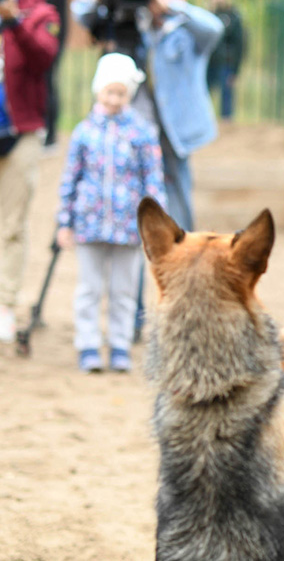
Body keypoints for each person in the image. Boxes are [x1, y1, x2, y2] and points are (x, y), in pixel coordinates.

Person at [72, 0, 223, 232]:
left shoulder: (189, 29)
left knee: (177, 189)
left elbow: (215, 28)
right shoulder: (133, 26)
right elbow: (81, 16)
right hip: (139, 125)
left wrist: (170, 6)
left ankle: (181, 247)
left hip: (176, 129)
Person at [56, 53, 165, 372]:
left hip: (128, 228)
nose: (115, 99)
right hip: (89, 225)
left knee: (123, 290)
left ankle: (119, 344)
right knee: (89, 288)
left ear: (128, 94)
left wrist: (156, 225)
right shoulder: (84, 132)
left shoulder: (142, 133)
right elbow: (70, 179)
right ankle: (87, 344)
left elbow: (153, 180)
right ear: (98, 91)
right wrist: (65, 221)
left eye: (121, 93)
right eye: (109, 92)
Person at [0, 0, 60, 343]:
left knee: (12, 224)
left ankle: (5, 305)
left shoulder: (39, 11)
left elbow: (45, 56)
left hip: (20, 129)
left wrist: (12, 20)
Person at [23, 0, 69, 152]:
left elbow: (47, 13)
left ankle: (50, 134)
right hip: (46, 37)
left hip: (49, 39)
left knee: (48, 83)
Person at [206, 0, 245, 121]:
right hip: (209, 62)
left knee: (226, 97)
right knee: (205, 94)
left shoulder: (233, 16)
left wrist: (236, 69)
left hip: (226, 62)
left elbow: (240, 43)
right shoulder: (207, 15)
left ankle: (226, 123)